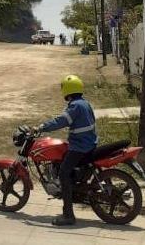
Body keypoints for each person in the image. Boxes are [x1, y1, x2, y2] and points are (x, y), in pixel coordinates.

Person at [37, 75, 97, 226]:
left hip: (80, 147)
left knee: (63, 173)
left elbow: (61, 121)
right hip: (89, 143)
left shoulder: (75, 106)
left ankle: (68, 215)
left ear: (67, 90)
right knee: (65, 165)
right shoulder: (85, 103)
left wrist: (43, 127)